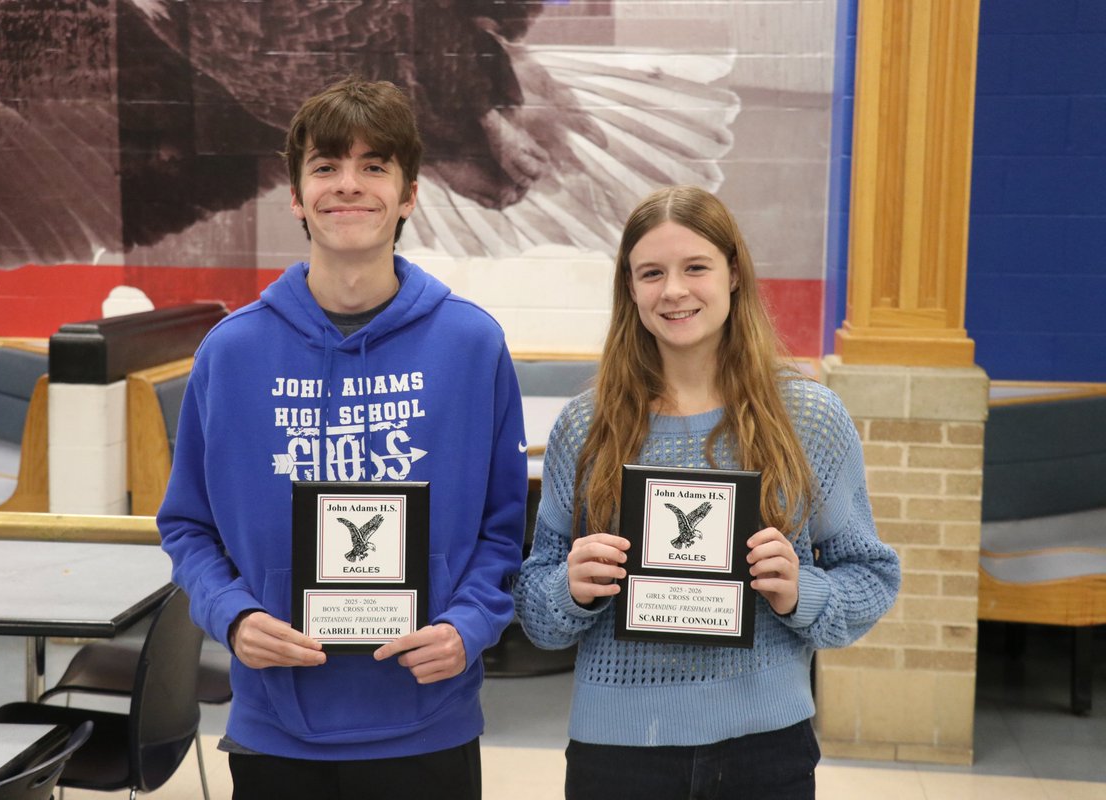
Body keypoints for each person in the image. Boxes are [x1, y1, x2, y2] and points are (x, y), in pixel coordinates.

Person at [157, 76, 528, 799]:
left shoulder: (472, 344)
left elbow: (504, 527)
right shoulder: (231, 353)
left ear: (409, 193)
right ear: (297, 196)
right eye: (326, 166)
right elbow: (187, 526)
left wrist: (471, 624)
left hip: (430, 724)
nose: (348, 185)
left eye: (373, 166)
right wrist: (232, 616)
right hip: (276, 725)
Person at [514, 185, 901, 799]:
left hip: (765, 748)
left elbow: (871, 576)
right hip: (618, 749)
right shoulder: (586, 427)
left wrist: (801, 591)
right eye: (651, 273)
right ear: (629, 288)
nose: (674, 290)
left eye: (696, 267)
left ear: (734, 274)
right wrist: (569, 587)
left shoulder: (809, 419)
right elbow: (537, 607)